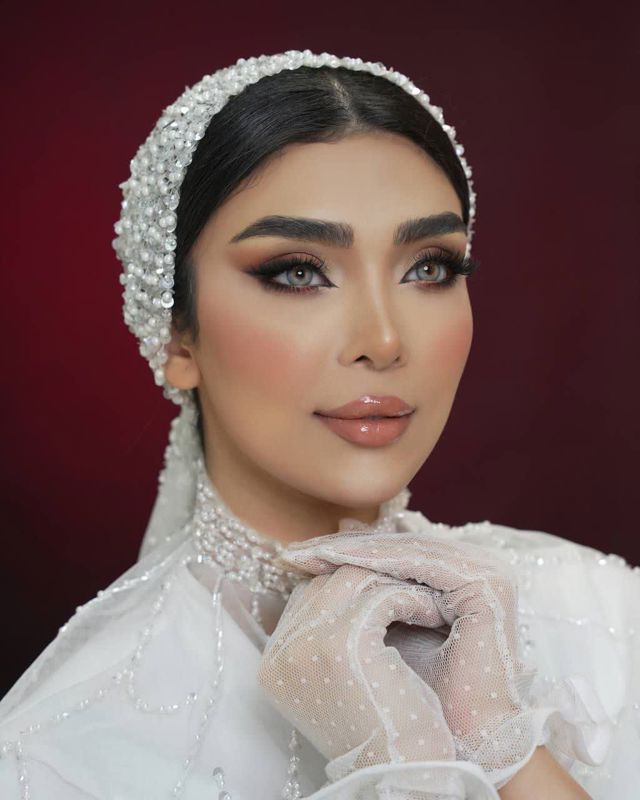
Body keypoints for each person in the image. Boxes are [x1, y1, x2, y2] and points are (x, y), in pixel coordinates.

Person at [0, 49, 637, 800]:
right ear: (176, 336)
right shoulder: (62, 752)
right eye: (298, 272)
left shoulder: (602, 616)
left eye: (429, 267)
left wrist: (503, 748)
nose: (384, 340)